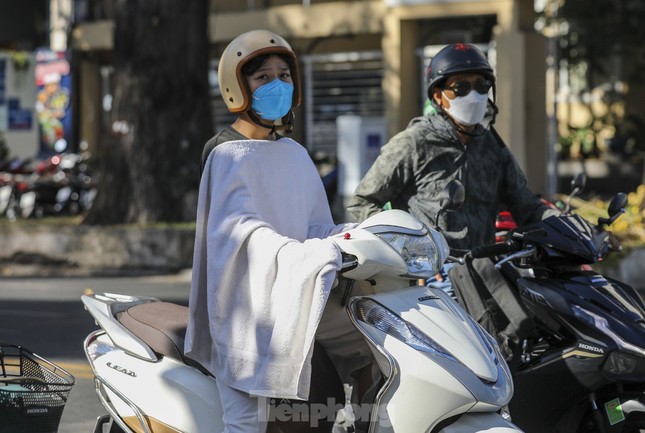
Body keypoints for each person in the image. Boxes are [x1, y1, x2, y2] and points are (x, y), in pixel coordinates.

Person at [184, 29, 372, 433]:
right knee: (248, 421)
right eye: (263, 77)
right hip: (245, 306)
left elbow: (315, 225)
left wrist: (358, 236)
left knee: (375, 343)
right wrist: (301, 253)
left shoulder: (294, 153)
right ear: (238, 88)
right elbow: (241, 234)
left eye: (284, 75)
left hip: (299, 289)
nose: (277, 85)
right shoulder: (224, 153)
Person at [346, 42, 558, 365]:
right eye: (461, 87)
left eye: (482, 86)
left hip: (481, 277)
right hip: (427, 286)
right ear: (437, 96)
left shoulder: (493, 148)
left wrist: (565, 227)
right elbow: (363, 203)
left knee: (517, 355)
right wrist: (406, 255)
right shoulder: (414, 143)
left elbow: (527, 207)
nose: (473, 95)